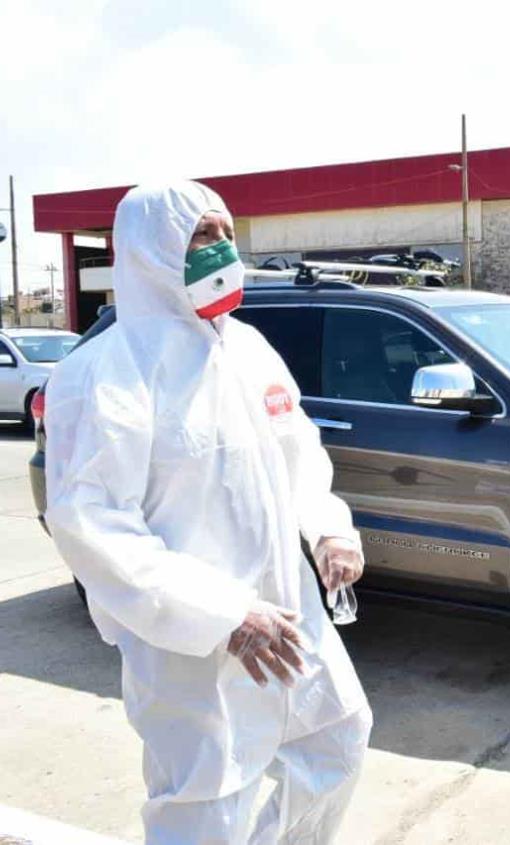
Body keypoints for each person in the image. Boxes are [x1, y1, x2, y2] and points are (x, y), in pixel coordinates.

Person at [44, 181, 373, 844]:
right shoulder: (104, 372)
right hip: (192, 643)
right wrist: (222, 612)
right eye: (201, 235)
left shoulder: (246, 346)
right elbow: (93, 523)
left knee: (335, 744)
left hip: (288, 615)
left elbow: (296, 447)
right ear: (150, 250)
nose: (221, 247)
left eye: (225, 232)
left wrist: (330, 527)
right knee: (206, 805)